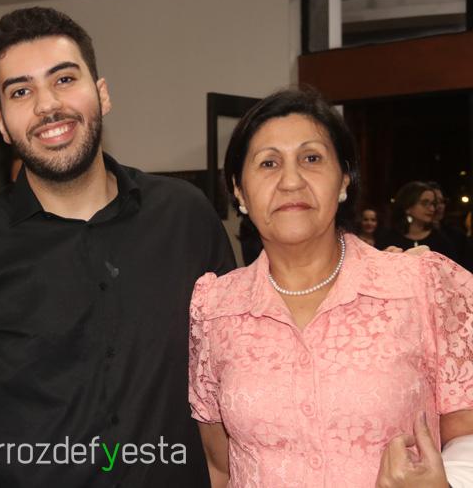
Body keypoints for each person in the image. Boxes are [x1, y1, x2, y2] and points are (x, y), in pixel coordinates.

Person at [0, 7, 235, 487]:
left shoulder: (184, 217)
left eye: (64, 79)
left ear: (102, 94)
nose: (47, 105)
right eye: (21, 91)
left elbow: (235, 372)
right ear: (2, 123)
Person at [188, 88, 473, 487]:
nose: (291, 181)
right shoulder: (215, 307)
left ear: (344, 179)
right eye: (268, 163)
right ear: (239, 190)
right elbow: (220, 466)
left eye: (312, 158)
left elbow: (466, 431)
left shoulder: (421, 285)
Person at [379, 181, 460, 262]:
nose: (432, 209)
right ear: (408, 207)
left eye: (433, 204)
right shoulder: (389, 238)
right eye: (425, 203)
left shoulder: (442, 241)